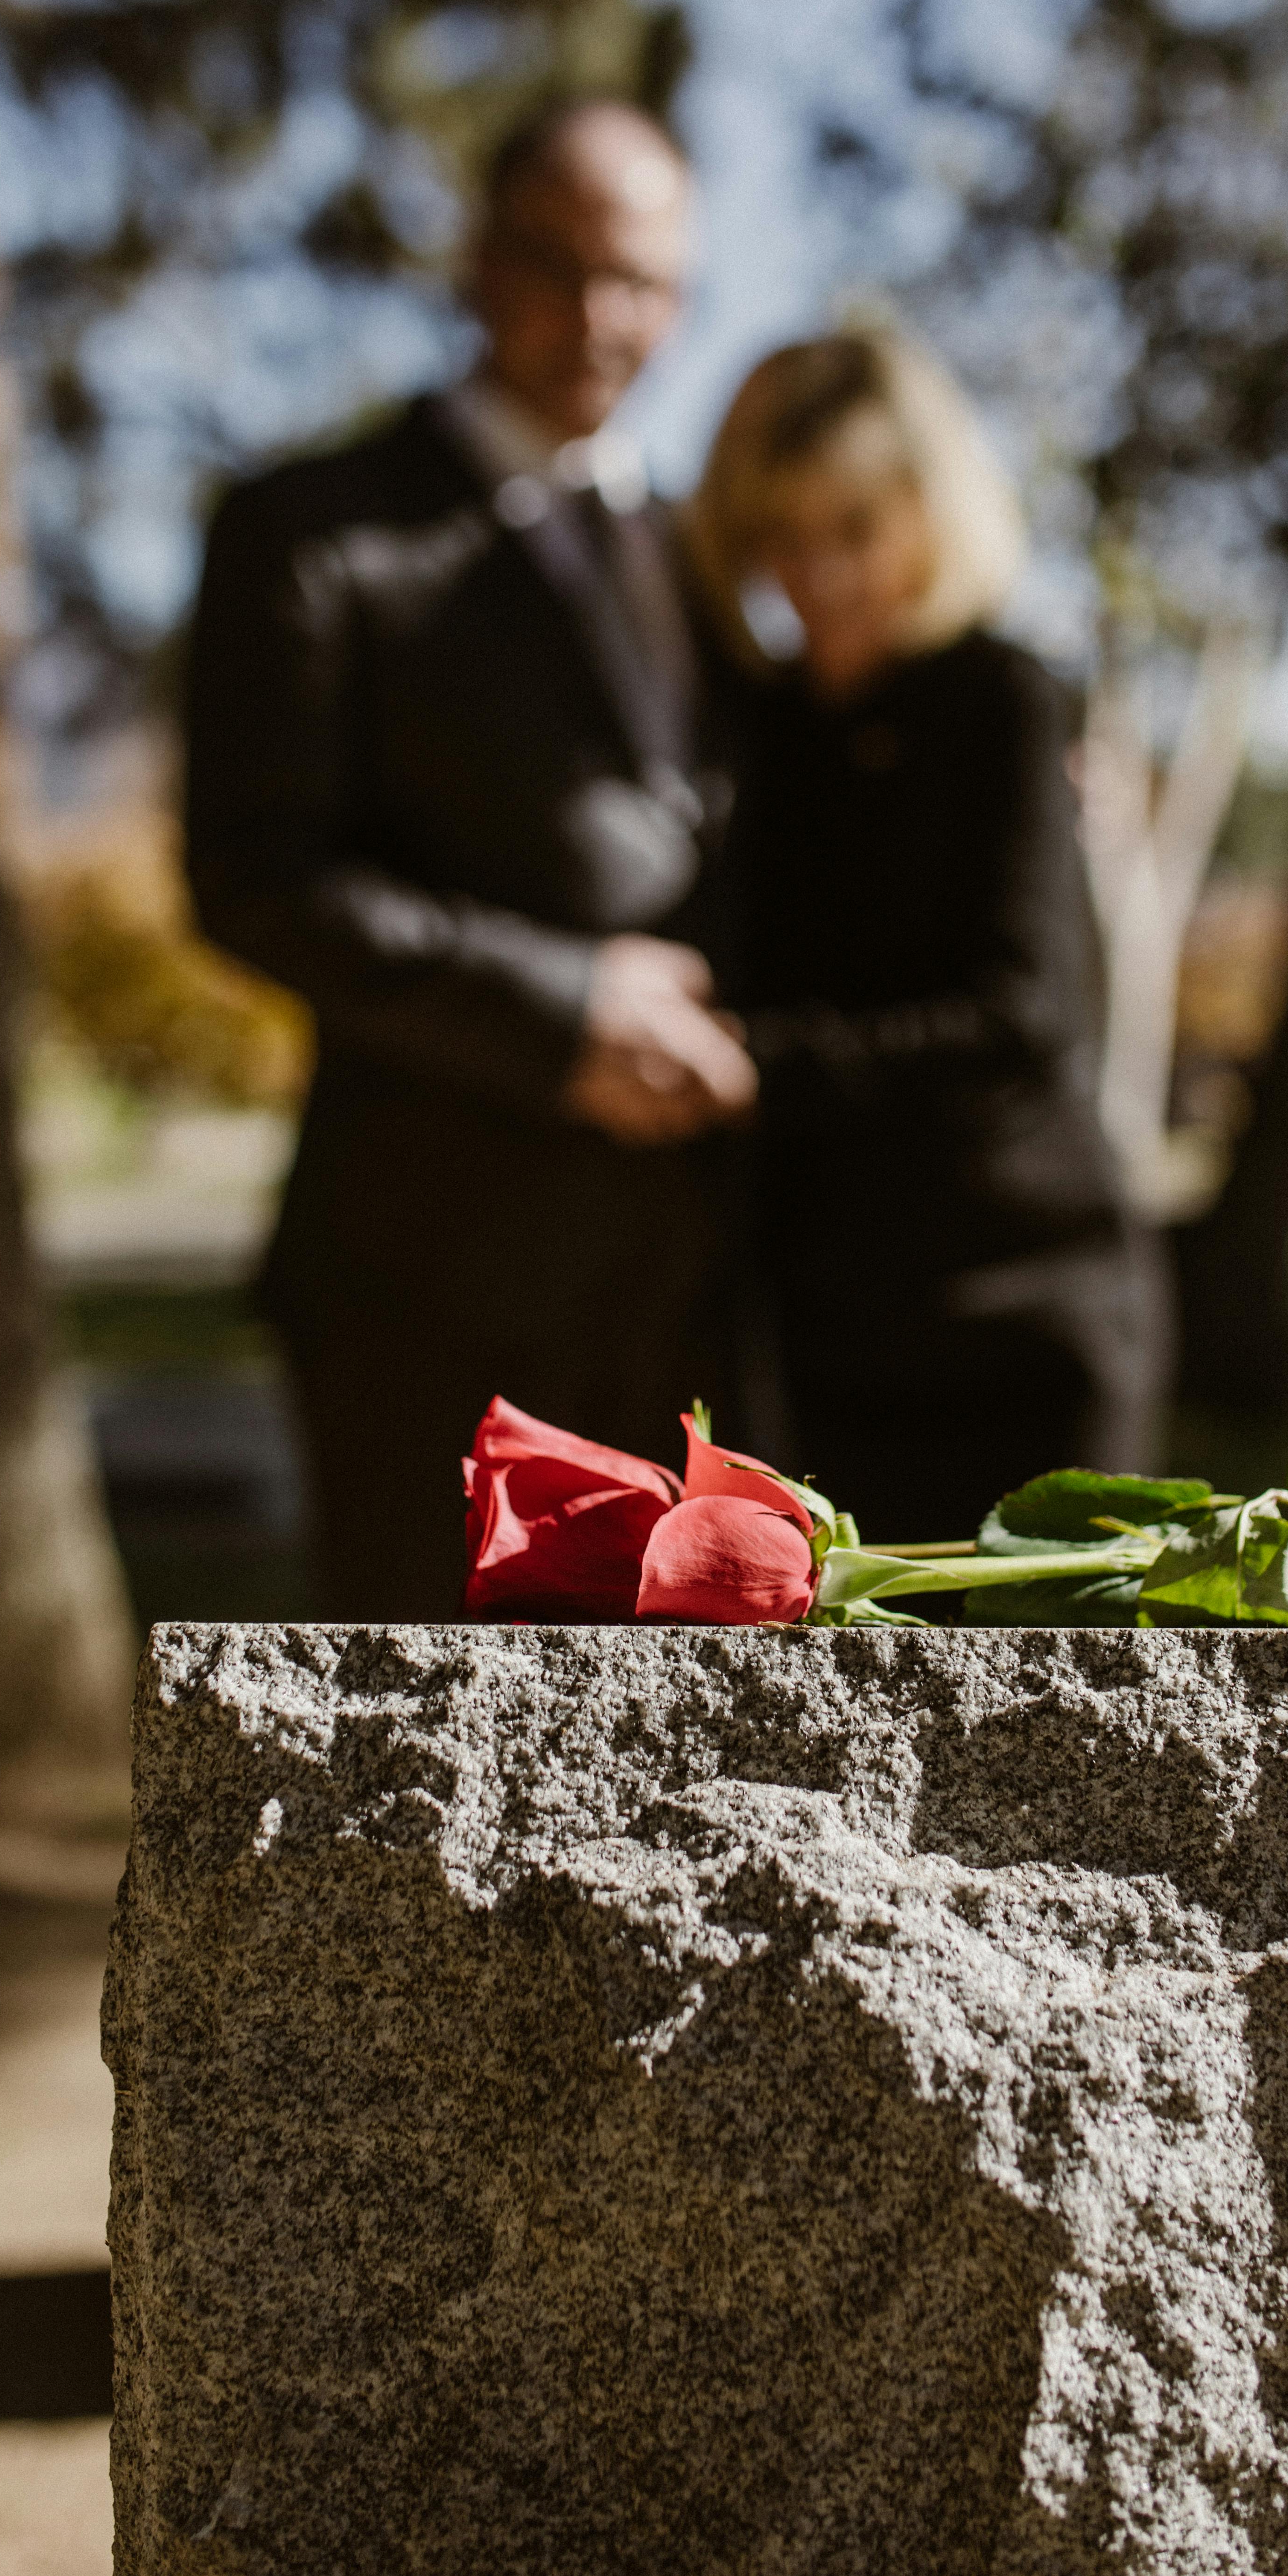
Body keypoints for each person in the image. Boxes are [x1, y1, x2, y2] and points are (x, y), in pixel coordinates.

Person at [185, 99, 755, 1619]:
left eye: (642, 280)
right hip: (427, 1299)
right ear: (474, 261)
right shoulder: (313, 533)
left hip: (708, 1297)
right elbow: (251, 877)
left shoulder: (708, 550)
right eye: (556, 264)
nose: (599, 316)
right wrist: (561, 1007)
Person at [688, 327, 1169, 1544]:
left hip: (1024, 1306)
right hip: (826, 1330)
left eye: (854, 531)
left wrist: (754, 1065)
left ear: (927, 513)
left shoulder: (1002, 697)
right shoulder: (754, 724)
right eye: (782, 539)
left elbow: (1022, 1011)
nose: (819, 576)